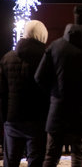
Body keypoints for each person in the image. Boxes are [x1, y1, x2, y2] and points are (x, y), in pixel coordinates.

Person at [35, 5, 82, 167]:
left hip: (58, 111)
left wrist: (55, 94)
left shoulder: (56, 46)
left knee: (51, 157)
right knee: (78, 158)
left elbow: (40, 77)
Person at [0, 20, 50, 167]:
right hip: (38, 119)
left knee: (11, 161)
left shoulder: (7, 58)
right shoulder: (47, 58)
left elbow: (2, 92)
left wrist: (4, 118)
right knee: (36, 160)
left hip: (13, 119)